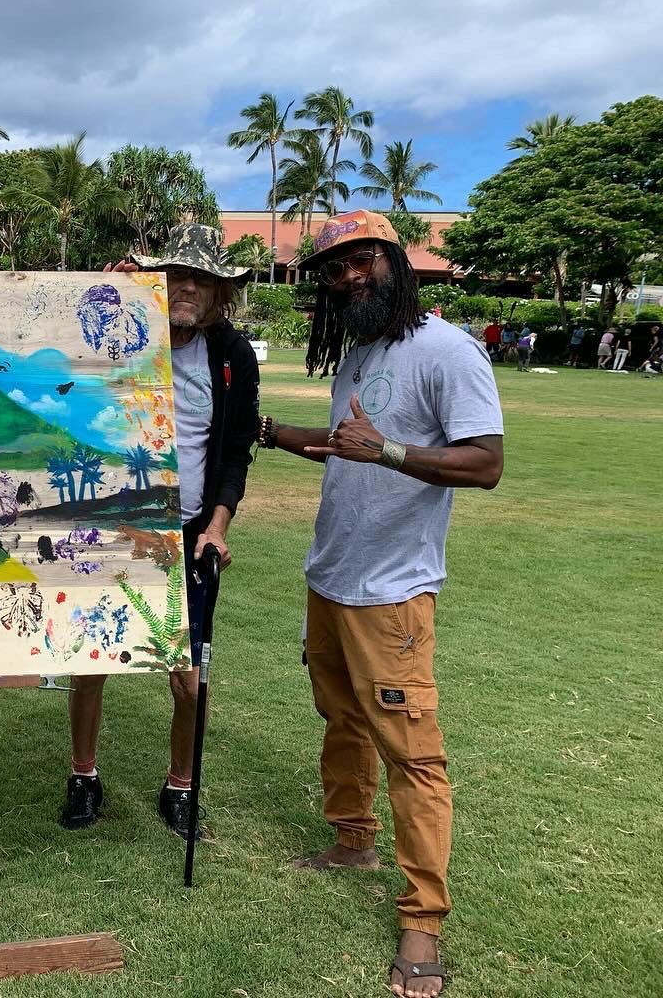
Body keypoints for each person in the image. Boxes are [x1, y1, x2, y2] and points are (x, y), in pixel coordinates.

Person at [256, 210, 503, 998]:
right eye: (335, 268)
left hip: (392, 592)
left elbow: (486, 464)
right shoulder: (359, 353)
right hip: (331, 577)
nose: (350, 276)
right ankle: (352, 839)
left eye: (364, 259)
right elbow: (341, 447)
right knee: (342, 719)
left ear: (396, 261)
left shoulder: (448, 350)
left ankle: (423, 919)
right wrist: (263, 429)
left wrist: (390, 450)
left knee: (413, 756)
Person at [57, 224, 259, 838]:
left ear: (221, 291)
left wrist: (218, 524)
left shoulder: (231, 356)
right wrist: (103, 294)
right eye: (175, 274)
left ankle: (181, 785)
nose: (187, 287)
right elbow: (54, 356)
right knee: (91, 658)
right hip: (115, 521)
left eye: (200, 277)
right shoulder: (117, 337)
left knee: (189, 678)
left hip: (189, 531)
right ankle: (84, 775)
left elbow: (235, 451)